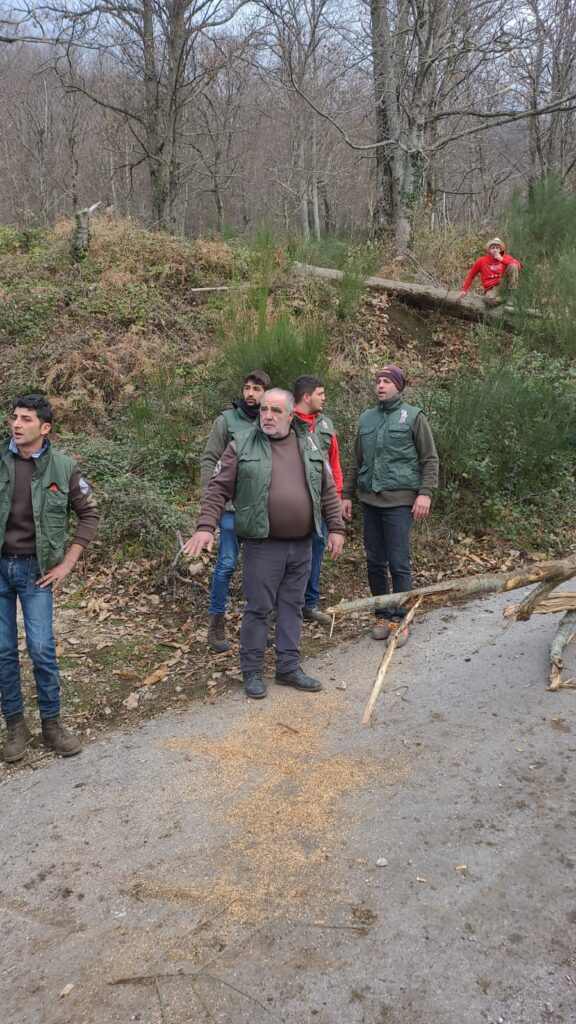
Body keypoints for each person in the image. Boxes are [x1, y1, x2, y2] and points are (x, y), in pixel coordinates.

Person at [184, 388, 345, 699]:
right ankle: (252, 671)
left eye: (275, 411)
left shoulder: (309, 442)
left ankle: (288, 667)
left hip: (302, 545)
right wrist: (205, 527)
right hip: (263, 545)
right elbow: (217, 490)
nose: (268, 416)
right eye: (264, 410)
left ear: (290, 415)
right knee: (258, 609)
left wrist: (336, 526)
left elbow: (326, 488)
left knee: (293, 607)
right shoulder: (242, 444)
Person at [0, 395, 99, 762]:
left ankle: (52, 724)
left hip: (36, 573)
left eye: (25, 419)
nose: (16, 424)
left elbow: (89, 516)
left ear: (44, 428)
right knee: (3, 650)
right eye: (13, 417)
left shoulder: (63, 467)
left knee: (41, 647)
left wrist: (67, 564)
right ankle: (15, 726)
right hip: (0, 567)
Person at [341, 366, 438, 646]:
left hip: (400, 502)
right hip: (370, 500)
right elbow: (355, 461)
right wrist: (346, 494)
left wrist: (425, 493)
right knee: (374, 562)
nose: (380, 385)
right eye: (378, 381)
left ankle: (402, 618)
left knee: (398, 563)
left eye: (386, 381)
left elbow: (429, 459)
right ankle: (383, 615)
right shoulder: (367, 419)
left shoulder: (414, 417)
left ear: (398, 386)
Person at [200, 370, 271, 653]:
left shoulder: (270, 420)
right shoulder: (226, 421)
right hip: (230, 508)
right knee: (226, 565)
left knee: (260, 569)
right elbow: (209, 459)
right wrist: (210, 501)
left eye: (256, 389)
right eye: (247, 387)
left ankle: (257, 624)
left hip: (260, 509)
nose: (250, 393)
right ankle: (216, 622)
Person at [293, 375, 343, 627]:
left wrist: (339, 496)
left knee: (316, 551)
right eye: (320, 393)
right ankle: (285, 606)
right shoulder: (287, 422)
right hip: (295, 503)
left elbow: (333, 463)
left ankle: (309, 604)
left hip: (322, 502)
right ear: (306, 396)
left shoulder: (325, 424)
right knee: (289, 555)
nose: (324, 398)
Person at [458, 237, 521, 307]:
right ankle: (506, 299)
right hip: (491, 289)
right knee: (489, 300)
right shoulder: (481, 261)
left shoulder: (505, 257)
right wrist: (464, 290)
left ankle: (511, 295)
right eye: (493, 248)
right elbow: (471, 275)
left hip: (504, 285)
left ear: (500, 249)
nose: (495, 250)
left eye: (497, 248)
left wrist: (502, 259)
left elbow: (518, 266)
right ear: (489, 250)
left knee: (512, 265)